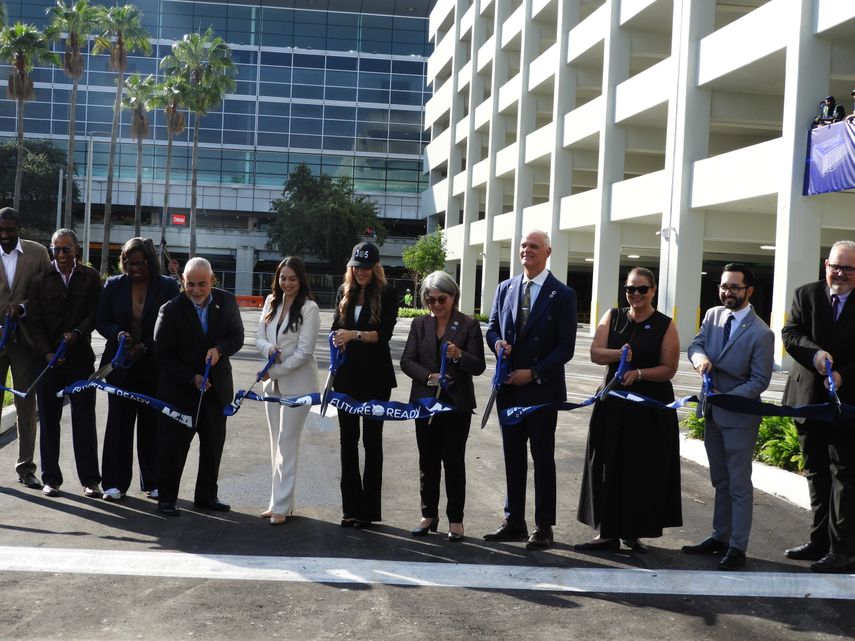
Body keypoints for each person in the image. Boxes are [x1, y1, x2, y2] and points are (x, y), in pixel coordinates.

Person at [576, 267, 682, 553]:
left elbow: (669, 369)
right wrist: (619, 354)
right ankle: (606, 532)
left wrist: (639, 373)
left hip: (648, 409)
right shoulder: (613, 316)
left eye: (642, 289)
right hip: (612, 404)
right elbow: (595, 353)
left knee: (640, 470)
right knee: (607, 465)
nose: (636, 294)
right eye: (630, 289)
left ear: (653, 290)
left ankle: (633, 532)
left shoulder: (665, 324)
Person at [484, 230, 577, 550]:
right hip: (509, 388)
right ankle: (514, 521)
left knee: (542, 458)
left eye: (533, 247)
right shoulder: (505, 288)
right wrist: (497, 343)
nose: (527, 251)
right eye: (523, 246)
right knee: (512, 457)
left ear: (547, 252)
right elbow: (493, 327)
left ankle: (543, 526)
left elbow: (565, 347)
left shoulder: (562, 294)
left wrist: (534, 373)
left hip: (540, 391)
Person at [684, 263, 774, 570]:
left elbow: (759, 381)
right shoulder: (712, 315)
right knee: (720, 480)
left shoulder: (762, 333)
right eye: (724, 286)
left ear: (749, 290)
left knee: (738, 484)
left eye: (735, 287)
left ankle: (738, 547)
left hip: (738, 418)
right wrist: (700, 359)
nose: (728, 292)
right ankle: (719, 537)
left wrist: (727, 398)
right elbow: (695, 344)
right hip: (712, 413)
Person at [781, 240, 855, 573]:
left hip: (847, 403)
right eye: (836, 266)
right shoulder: (805, 294)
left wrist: (842, 375)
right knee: (816, 471)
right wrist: (815, 354)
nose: (840, 273)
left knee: (844, 475)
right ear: (826, 264)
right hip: (807, 399)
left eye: (849, 269)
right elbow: (791, 333)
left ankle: (843, 549)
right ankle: (818, 541)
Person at [152, 257, 244, 516]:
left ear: (212, 281)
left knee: (213, 445)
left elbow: (237, 336)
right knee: (173, 447)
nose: (195, 290)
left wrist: (219, 349)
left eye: (202, 284)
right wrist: (191, 377)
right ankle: (167, 498)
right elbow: (162, 354)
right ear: (183, 281)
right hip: (180, 392)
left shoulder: (226, 302)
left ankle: (206, 496)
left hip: (217, 390)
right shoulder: (169, 310)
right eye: (190, 284)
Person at [400, 270, 485, 541]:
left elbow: (479, 366)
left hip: (455, 405)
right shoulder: (420, 325)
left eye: (442, 299)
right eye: (430, 299)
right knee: (427, 461)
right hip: (424, 402)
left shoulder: (469, 325)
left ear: (454, 297)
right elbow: (407, 360)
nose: (436, 305)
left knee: (453, 462)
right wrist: (429, 376)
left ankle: (456, 520)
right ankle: (428, 514)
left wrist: (459, 356)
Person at [97, 237, 181, 501]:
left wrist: (144, 347)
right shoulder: (113, 285)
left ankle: (154, 482)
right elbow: (102, 320)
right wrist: (118, 333)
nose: (133, 268)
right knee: (118, 426)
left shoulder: (167, 286)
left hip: (154, 366)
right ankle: (114, 483)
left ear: (150, 262)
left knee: (152, 425)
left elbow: (171, 326)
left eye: (139, 263)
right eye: (128, 263)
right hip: (121, 365)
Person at [28, 229, 102, 498]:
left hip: (80, 362)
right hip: (49, 363)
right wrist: (47, 353)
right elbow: (33, 323)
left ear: (77, 250)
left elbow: (95, 313)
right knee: (49, 422)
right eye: (56, 250)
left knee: (84, 420)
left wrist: (78, 334)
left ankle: (90, 481)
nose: (60, 255)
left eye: (66, 250)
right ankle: (51, 479)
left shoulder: (91, 278)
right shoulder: (39, 281)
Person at [331, 241, 398, 527]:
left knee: (372, 442)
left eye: (367, 267)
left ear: (375, 267)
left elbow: (383, 335)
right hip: (346, 378)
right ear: (351, 267)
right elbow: (336, 327)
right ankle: (351, 509)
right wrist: (338, 337)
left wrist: (353, 335)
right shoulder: (343, 292)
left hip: (376, 379)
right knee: (348, 442)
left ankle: (369, 512)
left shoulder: (388, 293)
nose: (361, 272)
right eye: (357, 266)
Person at [255, 257, 320, 526]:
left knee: (286, 443)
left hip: (299, 385)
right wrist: (268, 350)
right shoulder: (271, 303)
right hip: (273, 385)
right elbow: (258, 336)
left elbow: (305, 353)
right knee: (275, 445)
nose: (287, 283)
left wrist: (275, 370)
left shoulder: (310, 308)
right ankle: (278, 502)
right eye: (283, 278)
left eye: (292, 278)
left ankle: (281, 506)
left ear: (301, 279)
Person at [0, 207, 50, 490]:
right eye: (1, 230)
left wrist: (24, 307)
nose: (5, 235)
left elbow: (45, 293)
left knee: (26, 405)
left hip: (25, 341)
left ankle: (26, 467)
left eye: (10, 229)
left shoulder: (37, 253)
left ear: (20, 228)